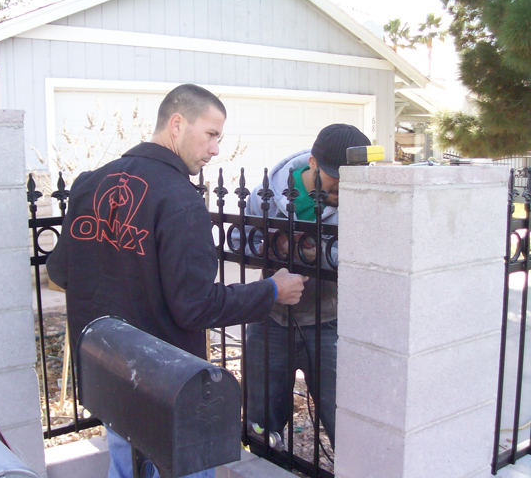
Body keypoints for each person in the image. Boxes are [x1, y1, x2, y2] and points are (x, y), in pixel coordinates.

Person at [46, 84, 308, 478]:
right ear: (177, 124)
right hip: (167, 387)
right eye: (211, 134)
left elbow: (61, 272)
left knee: (125, 468)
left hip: (109, 374)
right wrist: (272, 290)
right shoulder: (180, 200)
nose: (215, 149)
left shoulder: (90, 183)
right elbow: (196, 306)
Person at [244, 124, 372, 452]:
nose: (343, 186)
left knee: (346, 423)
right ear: (313, 163)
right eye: (336, 176)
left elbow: (369, 257)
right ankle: (265, 463)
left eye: (352, 178)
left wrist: (321, 255)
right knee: (261, 422)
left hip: (329, 322)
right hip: (270, 319)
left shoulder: (363, 200)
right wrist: (272, 248)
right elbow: (238, 242)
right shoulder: (266, 194)